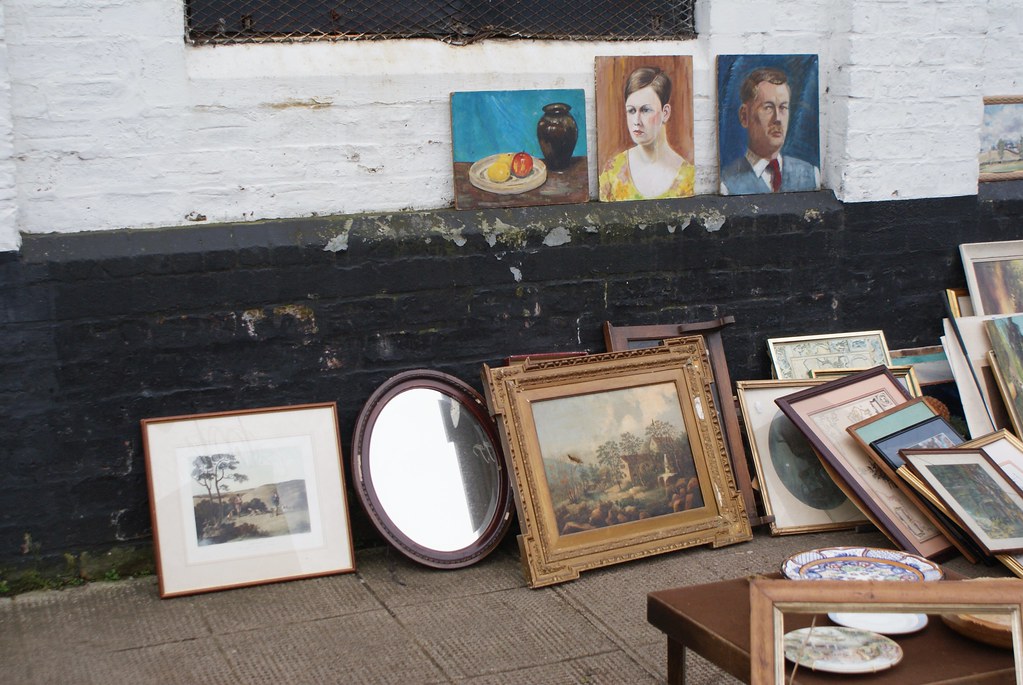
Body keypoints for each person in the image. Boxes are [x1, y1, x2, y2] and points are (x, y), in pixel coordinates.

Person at [719, 66, 821, 195]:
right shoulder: (727, 183)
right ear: (744, 116)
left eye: (783, 107)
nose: (778, 118)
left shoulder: (811, 175)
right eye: (768, 108)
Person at [599, 66, 695, 201]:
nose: (636, 121)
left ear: (665, 113)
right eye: (631, 111)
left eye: (646, 110)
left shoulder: (687, 177)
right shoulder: (612, 171)